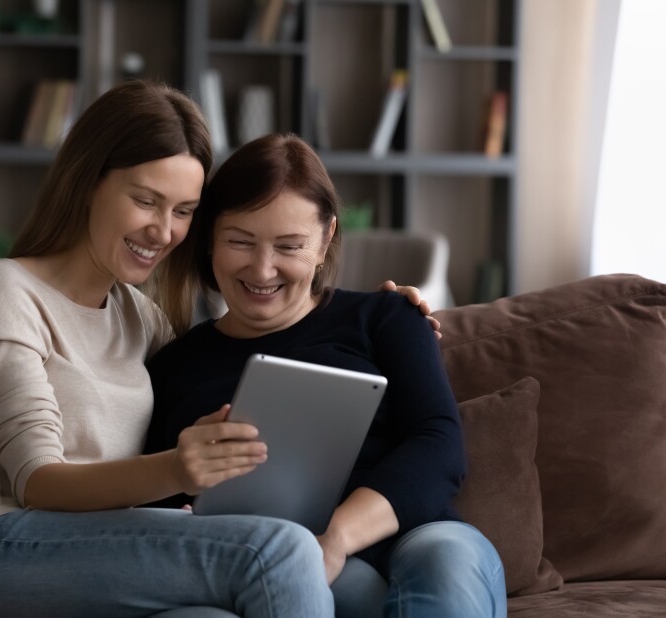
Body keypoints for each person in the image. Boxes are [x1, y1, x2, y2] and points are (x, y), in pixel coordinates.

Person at [0, 80, 340, 618]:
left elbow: (224, 363)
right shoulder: (6, 290)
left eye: (184, 211)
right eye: (145, 200)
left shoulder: (143, 318)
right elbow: (36, 480)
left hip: (100, 550)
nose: (163, 231)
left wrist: (377, 319)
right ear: (87, 181)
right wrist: (177, 469)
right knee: (281, 549)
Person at [143, 133, 507, 617]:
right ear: (210, 237)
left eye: (289, 246)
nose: (263, 268)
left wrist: (336, 538)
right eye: (239, 241)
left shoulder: (386, 318)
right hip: (279, 555)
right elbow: (158, 500)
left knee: (447, 564)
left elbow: (439, 443)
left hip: (414, 530)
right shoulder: (174, 365)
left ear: (325, 240)